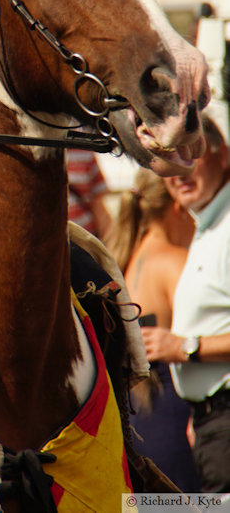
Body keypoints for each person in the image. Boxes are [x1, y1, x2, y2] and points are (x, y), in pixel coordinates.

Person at [141, 115, 230, 492]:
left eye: (191, 152)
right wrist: (205, 410)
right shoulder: (210, 225)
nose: (180, 169)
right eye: (168, 161)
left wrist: (184, 347)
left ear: (223, 155)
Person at [107, 169, 199, 491]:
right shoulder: (175, 262)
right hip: (176, 416)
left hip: (138, 423)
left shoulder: (125, 260)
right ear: (178, 206)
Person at [67, 149, 111, 239]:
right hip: (42, 244)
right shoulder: (31, 150)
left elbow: (100, 203)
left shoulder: (84, 151)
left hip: (83, 242)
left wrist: (108, 244)